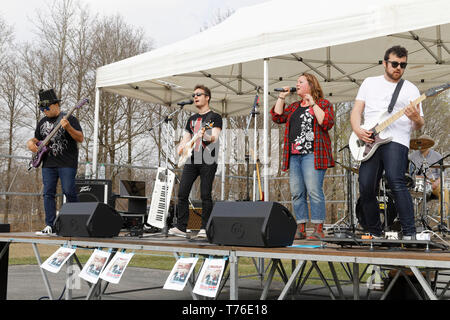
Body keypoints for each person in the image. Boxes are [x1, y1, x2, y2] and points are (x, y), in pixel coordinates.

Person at [350, 45, 424, 240]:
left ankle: (409, 233)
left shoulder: (411, 89)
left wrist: (416, 117)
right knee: (366, 186)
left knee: (395, 180)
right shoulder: (369, 83)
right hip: (368, 140)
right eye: (394, 64)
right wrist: (358, 130)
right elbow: (357, 111)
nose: (398, 67)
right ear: (385, 63)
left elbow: (419, 124)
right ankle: (374, 231)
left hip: (396, 140)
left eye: (402, 65)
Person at [271, 73, 335, 240]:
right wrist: (281, 97)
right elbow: (278, 117)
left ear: (311, 85)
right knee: (297, 192)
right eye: (297, 82)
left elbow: (326, 122)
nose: (297, 85)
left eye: (300, 82)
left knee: (314, 190)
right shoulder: (294, 107)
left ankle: (318, 229)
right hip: (295, 155)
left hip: (313, 154)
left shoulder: (323, 104)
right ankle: (300, 228)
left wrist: (313, 103)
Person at [168, 85, 222, 239]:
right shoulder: (191, 119)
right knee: (182, 192)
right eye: (194, 95)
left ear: (207, 97)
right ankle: (181, 227)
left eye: (199, 94)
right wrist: (181, 148)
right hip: (191, 159)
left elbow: (214, 137)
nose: (195, 97)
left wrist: (204, 135)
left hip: (208, 159)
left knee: (205, 194)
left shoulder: (214, 117)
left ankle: (205, 228)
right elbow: (186, 139)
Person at [27, 89, 84, 235]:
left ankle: (78, 222)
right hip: (48, 163)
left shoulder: (69, 118)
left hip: (67, 162)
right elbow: (36, 138)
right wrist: (30, 143)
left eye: (46, 108)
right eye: (42, 108)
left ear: (56, 105)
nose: (44, 111)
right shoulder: (42, 122)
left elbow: (80, 138)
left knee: (68, 190)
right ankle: (50, 225)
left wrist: (68, 128)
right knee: (48, 193)